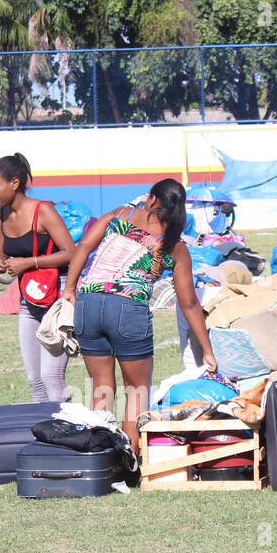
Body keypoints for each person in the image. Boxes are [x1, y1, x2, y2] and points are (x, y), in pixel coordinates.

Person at [62, 179, 216, 457]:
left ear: (154, 199)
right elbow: (189, 303)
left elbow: (83, 247)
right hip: (127, 310)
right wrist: (207, 350)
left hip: (88, 303)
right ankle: (128, 462)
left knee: (101, 388)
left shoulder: (121, 214)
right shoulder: (175, 246)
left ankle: (101, 461)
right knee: (136, 392)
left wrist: (70, 290)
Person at [0, 154, 75, 403]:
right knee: (34, 379)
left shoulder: (43, 210)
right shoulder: (1, 215)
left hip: (57, 297)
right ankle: (42, 434)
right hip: (29, 299)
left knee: (51, 376)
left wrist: (30, 262)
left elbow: (71, 252)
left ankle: (63, 432)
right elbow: (2, 254)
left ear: (14, 183)